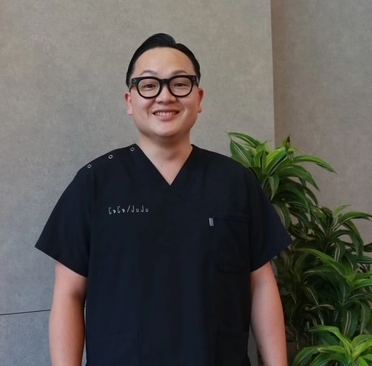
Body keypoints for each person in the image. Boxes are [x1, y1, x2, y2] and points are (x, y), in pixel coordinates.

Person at [36, 33, 292, 366]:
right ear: (130, 101)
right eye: (149, 85)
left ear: (199, 98)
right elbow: (69, 294)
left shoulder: (234, 182)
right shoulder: (95, 183)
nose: (165, 96)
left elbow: (261, 285)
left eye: (180, 84)